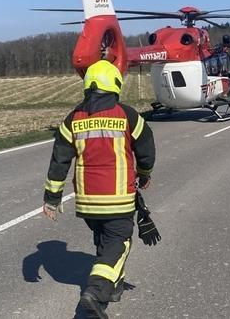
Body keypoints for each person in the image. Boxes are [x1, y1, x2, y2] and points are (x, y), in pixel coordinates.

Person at [42, 60, 155, 319]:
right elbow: (146, 147)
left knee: (105, 241)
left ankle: (114, 287)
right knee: (119, 243)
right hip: (118, 199)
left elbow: (59, 160)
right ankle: (95, 293)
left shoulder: (73, 119)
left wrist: (52, 198)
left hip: (87, 203)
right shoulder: (127, 115)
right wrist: (145, 173)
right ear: (115, 84)